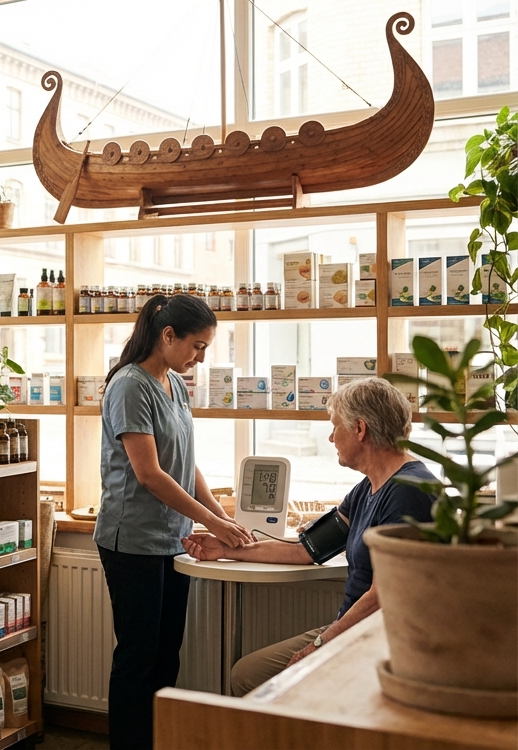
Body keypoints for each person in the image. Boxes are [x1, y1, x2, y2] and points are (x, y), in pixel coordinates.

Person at [184, 377, 435, 696]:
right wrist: (224, 550)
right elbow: (306, 550)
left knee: (253, 679)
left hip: (379, 641)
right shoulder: (368, 487)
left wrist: (321, 644)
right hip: (349, 630)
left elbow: (384, 595)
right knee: (248, 673)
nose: (331, 438)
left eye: (335, 427)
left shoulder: (408, 492)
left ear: (360, 429)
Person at [96, 293, 252, 750]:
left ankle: (157, 741)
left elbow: (186, 463)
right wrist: (211, 520)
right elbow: (149, 474)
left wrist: (221, 517)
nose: (200, 358)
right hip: (132, 541)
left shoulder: (175, 384)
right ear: (168, 336)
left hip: (172, 539)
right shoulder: (129, 385)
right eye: (197, 346)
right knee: (138, 657)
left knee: (166, 656)